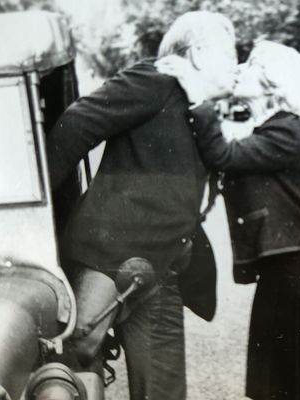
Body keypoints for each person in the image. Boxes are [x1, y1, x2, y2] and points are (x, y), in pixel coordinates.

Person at [45, 11, 237, 400]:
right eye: (230, 54)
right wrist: (47, 213)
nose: (237, 65)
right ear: (198, 54)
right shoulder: (155, 79)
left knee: (164, 392)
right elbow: (75, 125)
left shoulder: (198, 103)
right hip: (108, 262)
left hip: (162, 270)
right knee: (69, 376)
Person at [158, 40, 300, 399]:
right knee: (282, 388)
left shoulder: (290, 131)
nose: (239, 68)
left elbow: (222, 155)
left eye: (250, 64)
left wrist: (197, 96)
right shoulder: (275, 129)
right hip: (288, 272)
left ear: (273, 81)